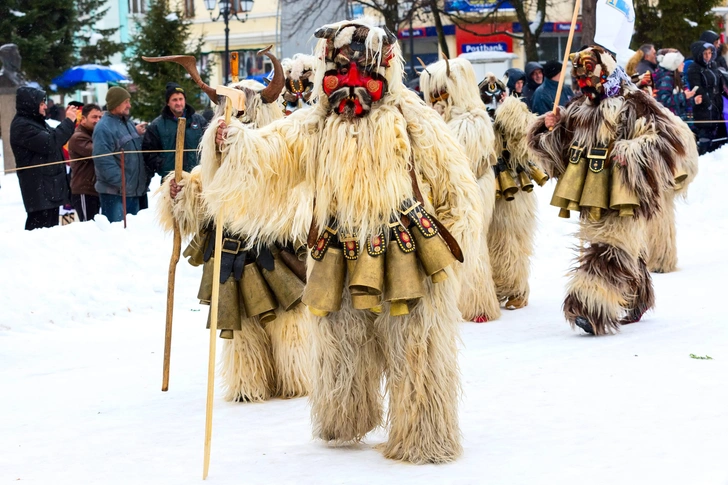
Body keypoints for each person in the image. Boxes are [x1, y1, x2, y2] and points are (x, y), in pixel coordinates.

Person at [205, 19, 481, 463]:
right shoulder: (315, 123)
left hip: (408, 244)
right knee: (339, 340)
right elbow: (269, 154)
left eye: (363, 69)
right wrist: (232, 143)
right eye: (339, 68)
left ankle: (424, 433)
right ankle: (344, 417)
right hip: (337, 247)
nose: (351, 82)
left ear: (384, 69)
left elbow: (457, 184)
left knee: (416, 345)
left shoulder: (412, 118)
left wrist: (453, 241)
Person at [158, 50, 313, 402]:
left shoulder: (282, 148)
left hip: (275, 250)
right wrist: (179, 194)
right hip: (229, 252)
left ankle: (296, 375)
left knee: (287, 316)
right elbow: (201, 198)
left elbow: (293, 194)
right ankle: (248, 381)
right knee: (239, 323)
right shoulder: (214, 163)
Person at [527, 45, 697, 336]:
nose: (583, 80)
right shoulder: (581, 107)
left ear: (603, 72)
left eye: (588, 73)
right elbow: (563, 149)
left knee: (611, 248)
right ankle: (638, 297)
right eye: (578, 75)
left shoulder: (635, 102)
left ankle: (588, 307)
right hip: (592, 192)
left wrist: (632, 151)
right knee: (620, 248)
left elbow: (668, 139)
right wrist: (548, 128)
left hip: (626, 191)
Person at [420, 57, 501, 323]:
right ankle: (453, 300)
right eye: (432, 93)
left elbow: (456, 157)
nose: (436, 98)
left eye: (441, 91)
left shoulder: (473, 119)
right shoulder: (439, 119)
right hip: (448, 189)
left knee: (470, 243)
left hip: (473, 186)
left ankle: (478, 304)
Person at [480, 73, 545, 310]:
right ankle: (498, 287)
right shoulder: (478, 119)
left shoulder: (515, 114)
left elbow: (524, 141)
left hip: (515, 187)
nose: (494, 98)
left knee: (513, 241)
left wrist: (507, 117)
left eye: (498, 93)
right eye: (488, 94)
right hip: (488, 187)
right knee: (491, 240)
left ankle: (517, 289)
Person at [10, 87, 76, 230]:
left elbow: (56, 139)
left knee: (49, 233)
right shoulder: (23, 126)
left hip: (49, 188)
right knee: (39, 233)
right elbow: (51, 143)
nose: (45, 106)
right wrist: (69, 121)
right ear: (31, 105)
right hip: (39, 190)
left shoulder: (36, 122)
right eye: (41, 104)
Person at [92, 87, 147, 222]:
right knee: (116, 236)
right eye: (126, 101)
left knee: (133, 236)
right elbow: (103, 161)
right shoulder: (103, 128)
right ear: (116, 103)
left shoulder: (127, 123)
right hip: (115, 194)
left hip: (132, 192)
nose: (129, 105)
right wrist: (122, 182)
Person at [142, 82, 208, 180]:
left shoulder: (199, 121)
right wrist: (162, 165)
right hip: (170, 180)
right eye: (174, 100)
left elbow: (209, 144)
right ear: (168, 103)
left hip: (196, 178)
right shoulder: (157, 125)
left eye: (181, 99)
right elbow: (148, 152)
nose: (178, 103)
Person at [687, 41, 725, 154]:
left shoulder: (713, 65)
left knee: (717, 131)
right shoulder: (694, 68)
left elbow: (717, 82)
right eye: (705, 53)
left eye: (710, 53)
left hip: (716, 101)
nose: (708, 56)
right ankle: (703, 154)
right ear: (699, 54)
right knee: (705, 131)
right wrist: (708, 102)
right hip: (703, 105)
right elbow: (697, 86)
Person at [68, 103, 103, 221]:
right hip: (84, 190)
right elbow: (98, 152)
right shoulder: (78, 137)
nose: (98, 120)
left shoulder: (94, 135)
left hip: (96, 189)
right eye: (94, 117)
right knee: (88, 226)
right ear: (83, 119)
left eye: (100, 117)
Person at [654, 49, 701, 120]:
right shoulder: (666, 79)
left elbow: (679, 102)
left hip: (678, 119)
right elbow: (664, 101)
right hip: (670, 120)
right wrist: (683, 95)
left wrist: (692, 100)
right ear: (674, 65)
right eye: (681, 62)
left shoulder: (678, 78)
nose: (683, 64)